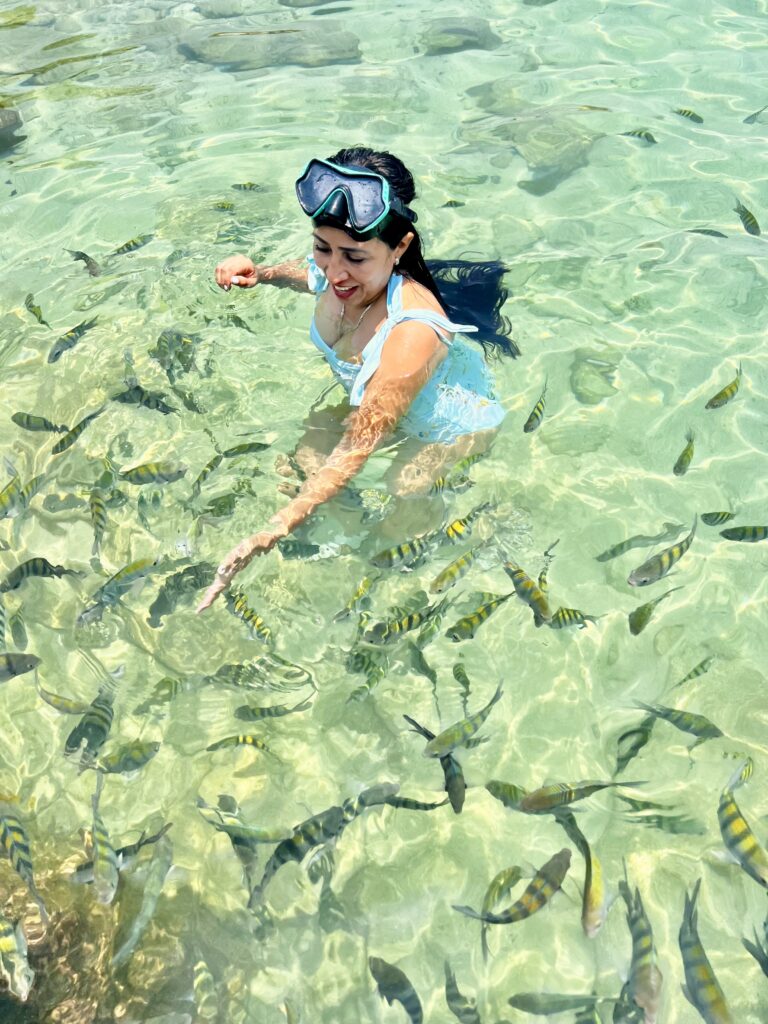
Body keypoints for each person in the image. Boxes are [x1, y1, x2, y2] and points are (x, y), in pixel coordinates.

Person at [197, 146, 517, 612]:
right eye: (322, 247)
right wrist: (261, 274)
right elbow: (307, 276)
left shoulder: (412, 333)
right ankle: (341, 538)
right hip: (381, 407)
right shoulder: (334, 272)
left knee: (404, 486)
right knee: (309, 450)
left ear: (400, 247)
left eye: (355, 257)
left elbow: (360, 445)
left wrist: (273, 528)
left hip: (450, 423)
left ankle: (401, 573)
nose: (335, 271)